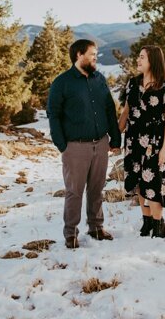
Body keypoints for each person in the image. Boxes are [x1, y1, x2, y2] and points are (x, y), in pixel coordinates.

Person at [46, 38, 121, 250]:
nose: (96, 57)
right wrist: (62, 144)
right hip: (75, 147)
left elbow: (109, 110)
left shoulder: (100, 79)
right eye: (92, 54)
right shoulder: (62, 82)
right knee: (74, 192)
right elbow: (53, 113)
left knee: (97, 189)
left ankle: (96, 227)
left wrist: (115, 138)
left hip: (101, 144)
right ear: (79, 55)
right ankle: (71, 234)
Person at [119, 43, 165, 239]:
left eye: (142, 57)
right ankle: (146, 223)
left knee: (153, 182)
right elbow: (125, 113)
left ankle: (158, 223)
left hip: (155, 142)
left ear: (152, 61)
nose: (138, 60)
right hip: (133, 140)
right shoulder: (132, 84)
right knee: (139, 182)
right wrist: (113, 135)